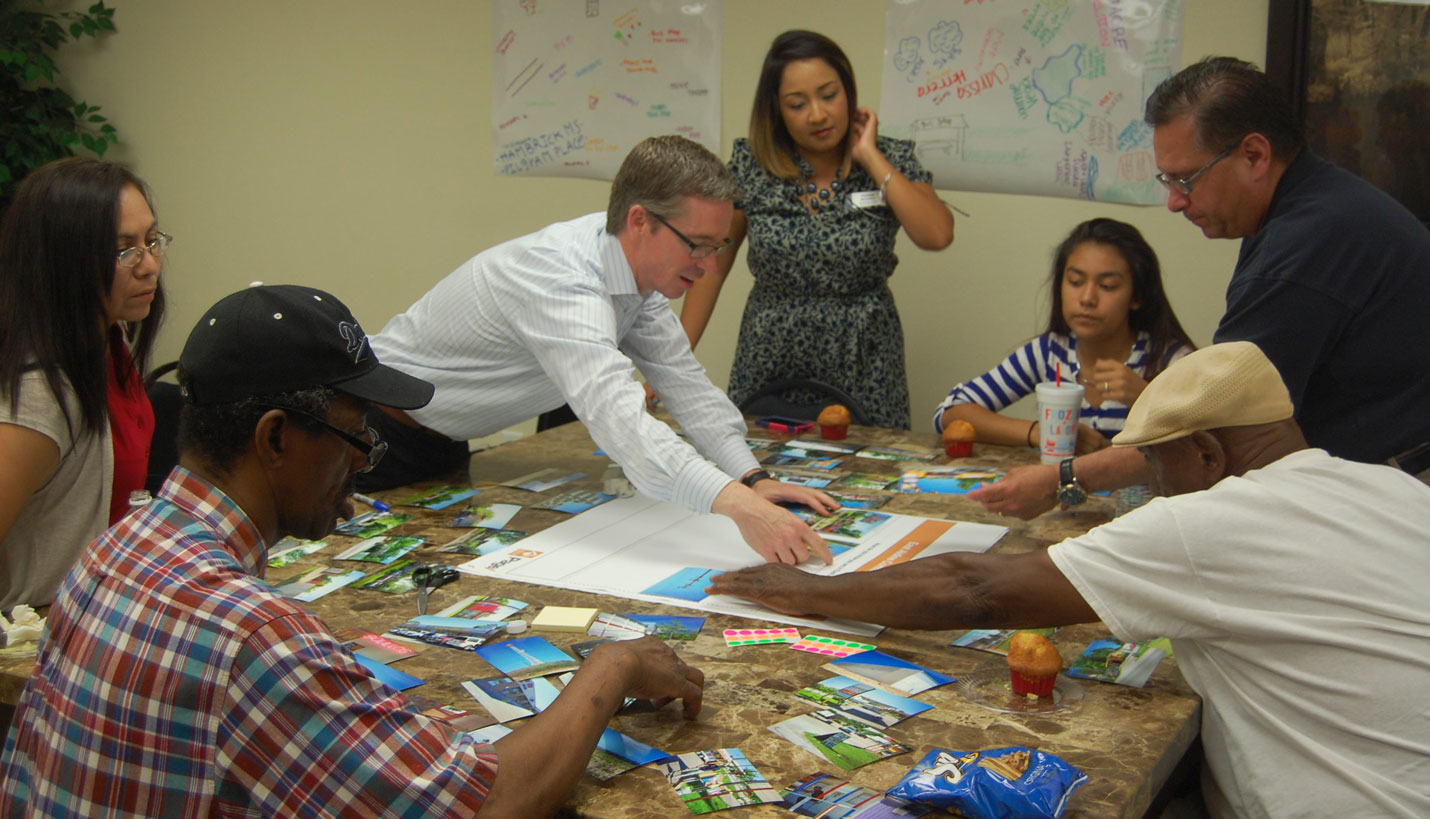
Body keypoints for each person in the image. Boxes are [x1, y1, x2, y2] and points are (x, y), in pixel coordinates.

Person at [0, 285, 705, 818]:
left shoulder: (110, 552)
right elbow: (489, 802)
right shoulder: (252, 634)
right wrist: (610, 665)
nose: (366, 460)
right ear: (275, 437)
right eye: (355, 433)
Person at [709, 341, 1430, 819]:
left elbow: (973, 588)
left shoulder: (1216, 521)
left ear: (1208, 452)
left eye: (1157, 467)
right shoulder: (1392, 488)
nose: (1151, 487)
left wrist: (796, 590)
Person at [967, 55, 1430, 520]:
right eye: (1166, 180)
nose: (1174, 201)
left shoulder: (1305, 245)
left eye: (1186, 179)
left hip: (1396, 490)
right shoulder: (1316, 205)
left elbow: (1213, 424)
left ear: (1254, 155)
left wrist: (1062, 479)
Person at [366, 134, 837, 566]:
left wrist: (753, 479)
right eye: (698, 246)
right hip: (370, 431)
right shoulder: (561, 280)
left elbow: (686, 385)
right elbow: (623, 421)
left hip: (441, 438)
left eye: (718, 246)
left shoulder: (635, 279)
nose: (709, 265)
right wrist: (738, 505)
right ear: (639, 221)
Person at [676, 30, 954, 429]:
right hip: (769, 354)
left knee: (865, 478)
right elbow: (712, 265)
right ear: (776, 110)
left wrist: (870, 157)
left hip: (864, 355)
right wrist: (674, 357)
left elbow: (937, 234)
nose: (818, 115)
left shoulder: (890, 158)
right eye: (797, 103)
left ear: (849, 92)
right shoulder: (751, 166)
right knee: (759, 476)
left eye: (829, 95)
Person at [0, 158, 168, 611]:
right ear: (62, 262)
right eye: (124, 250)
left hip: (101, 614)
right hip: (39, 644)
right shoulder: (38, 391)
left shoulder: (109, 341)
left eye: (152, 241)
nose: (149, 265)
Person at [933, 218, 1194, 452]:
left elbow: (1214, 446)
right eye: (1075, 282)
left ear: (1137, 296)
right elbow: (950, 414)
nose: (1087, 298)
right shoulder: (1049, 352)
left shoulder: (1169, 359)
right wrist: (1040, 433)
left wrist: (1148, 397)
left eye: (1107, 286)